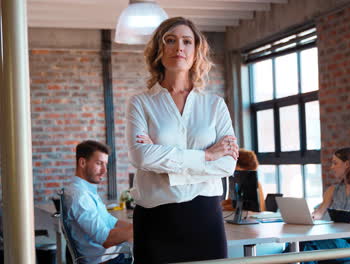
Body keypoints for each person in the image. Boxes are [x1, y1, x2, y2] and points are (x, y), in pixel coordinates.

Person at [126, 17, 239, 263]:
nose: (179, 47)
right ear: (159, 48)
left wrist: (163, 161)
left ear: (196, 51)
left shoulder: (215, 105)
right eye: (171, 40)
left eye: (187, 41)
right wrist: (207, 156)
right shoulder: (141, 103)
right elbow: (141, 156)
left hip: (205, 219)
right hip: (155, 220)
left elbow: (227, 165)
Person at [296, 147, 350, 264]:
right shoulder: (333, 190)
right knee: (301, 245)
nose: (331, 167)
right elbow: (319, 213)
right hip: (335, 241)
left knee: (309, 247)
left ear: (347, 164)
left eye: (335, 163)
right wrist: (307, 216)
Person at [63, 140, 133, 264]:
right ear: (83, 163)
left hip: (113, 257)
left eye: (105, 164)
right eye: (99, 163)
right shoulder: (79, 196)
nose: (104, 170)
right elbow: (105, 239)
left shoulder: (86, 191)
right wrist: (138, 229)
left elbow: (113, 222)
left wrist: (137, 227)